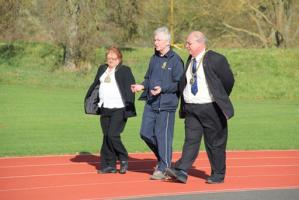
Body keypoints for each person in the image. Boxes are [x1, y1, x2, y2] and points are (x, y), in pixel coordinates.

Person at [165, 31, 235, 184]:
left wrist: (219, 97)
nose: (186, 46)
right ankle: (181, 170)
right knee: (190, 140)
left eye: (189, 43)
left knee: (214, 143)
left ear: (200, 43)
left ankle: (218, 175)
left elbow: (228, 81)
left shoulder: (216, 58)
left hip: (211, 108)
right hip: (192, 108)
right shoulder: (190, 59)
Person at [131, 27, 184, 180]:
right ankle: (163, 160)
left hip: (166, 105)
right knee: (145, 133)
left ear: (167, 42)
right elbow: (148, 78)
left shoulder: (175, 60)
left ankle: (163, 168)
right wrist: (142, 85)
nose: (155, 42)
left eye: (158, 40)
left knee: (163, 137)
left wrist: (163, 89)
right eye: (154, 39)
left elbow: (179, 84)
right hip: (151, 102)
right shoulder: (154, 58)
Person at [84, 47, 136, 174]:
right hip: (104, 107)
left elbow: (130, 90)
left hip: (119, 108)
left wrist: (129, 109)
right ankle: (109, 165)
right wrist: (91, 102)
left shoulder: (125, 70)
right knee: (106, 136)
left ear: (119, 59)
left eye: (114, 59)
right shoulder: (103, 69)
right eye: (109, 58)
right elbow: (96, 85)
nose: (111, 61)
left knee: (113, 135)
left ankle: (123, 158)